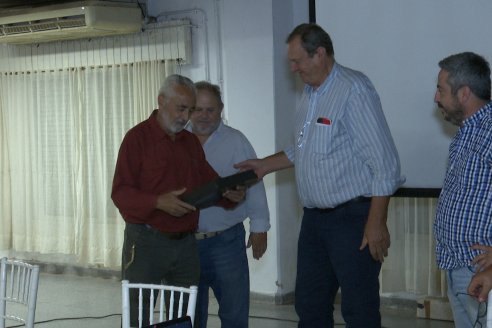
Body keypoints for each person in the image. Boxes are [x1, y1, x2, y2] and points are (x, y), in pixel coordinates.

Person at [235, 23, 403, 328]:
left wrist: (376, 222)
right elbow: (301, 149)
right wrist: (262, 166)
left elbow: (385, 164)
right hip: (314, 221)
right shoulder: (309, 94)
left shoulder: (353, 89)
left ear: (320, 54)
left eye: (297, 60)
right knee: (309, 305)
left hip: (353, 220)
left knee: (359, 308)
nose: (293, 68)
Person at [111, 74, 244, 326]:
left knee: (182, 317)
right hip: (146, 242)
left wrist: (230, 195)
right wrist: (157, 202)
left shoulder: (190, 142)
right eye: (181, 108)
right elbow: (120, 193)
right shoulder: (137, 139)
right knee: (138, 315)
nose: (185, 117)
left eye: (189, 110)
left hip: (185, 245)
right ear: (161, 101)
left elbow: (209, 184)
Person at [186, 81, 271, 328]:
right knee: (189, 316)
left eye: (210, 110)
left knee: (234, 315)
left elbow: (254, 183)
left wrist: (259, 228)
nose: (203, 116)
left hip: (226, 243)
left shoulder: (236, 141)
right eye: (198, 109)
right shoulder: (177, 141)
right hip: (184, 246)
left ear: (221, 108)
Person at [433, 52, 492, 327]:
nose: (436, 98)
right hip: (459, 268)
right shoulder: (467, 133)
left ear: (464, 93)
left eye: (441, 90)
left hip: (482, 271)